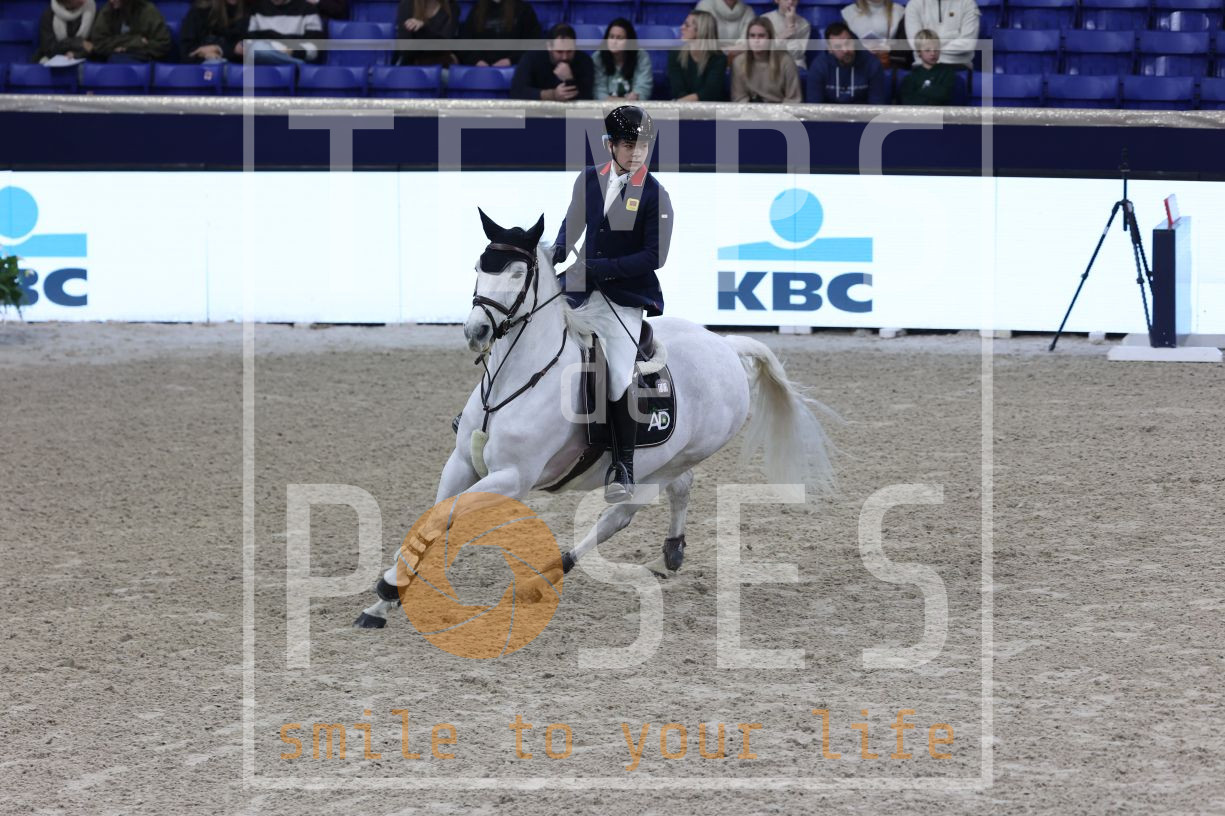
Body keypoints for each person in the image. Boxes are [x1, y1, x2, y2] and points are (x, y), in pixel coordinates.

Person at [552, 106, 674, 503]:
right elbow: (572, 226)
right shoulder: (589, 179)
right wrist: (552, 254)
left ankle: (623, 465)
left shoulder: (655, 194)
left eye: (643, 146)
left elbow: (655, 256)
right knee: (527, 321)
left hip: (624, 294)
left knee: (619, 372)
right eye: (628, 145)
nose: (636, 153)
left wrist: (603, 268)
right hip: (579, 282)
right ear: (609, 145)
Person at [806, 21, 887, 104]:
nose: (845, 50)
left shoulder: (872, 64)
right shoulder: (819, 67)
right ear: (830, 49)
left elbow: (876, 105)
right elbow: (814, 105)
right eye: (838, 46)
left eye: (848, 43)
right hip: (828, 112)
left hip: (863, 112)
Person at [510, 23, 594, 100]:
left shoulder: (584, 61)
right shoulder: (532, 58)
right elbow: (517, 92)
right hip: (538, 109)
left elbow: (586, 98)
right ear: (549, 46)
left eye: (569, 51)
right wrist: (552, 94)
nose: (565, 57)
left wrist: (569, 80)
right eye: (559, 52)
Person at [731, 17, 801, 103]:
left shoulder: (786, 61)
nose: (756, 40)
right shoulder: (738, 62)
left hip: (779, 109)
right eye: (752, 36)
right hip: (750, 109)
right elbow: (739, 98)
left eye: (761, 36)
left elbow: (793, 100)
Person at [459, 0, 541, 66]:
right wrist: (476, 61)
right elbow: (464, 44)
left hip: (514, 68)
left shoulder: (524, 9)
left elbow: (533, 43)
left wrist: (511, 60)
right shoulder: (476, 10)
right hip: (480, 70)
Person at [240, 0, 325, 64]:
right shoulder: (257, 9)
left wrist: (290, 51)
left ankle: (295, 65)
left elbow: (313, 51)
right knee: (256, 48)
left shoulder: (308, 10)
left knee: (258, 49)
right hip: (261, 59)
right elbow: (250, 42)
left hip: (292, 57)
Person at [668, 11, 727, 101]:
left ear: (701, 30)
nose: (681, 28)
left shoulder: (719, 58)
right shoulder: (675, 54)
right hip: (682, 107)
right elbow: (677, 90)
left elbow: (710, 92)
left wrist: (681, 102)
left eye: (687, 25)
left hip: (710, 107)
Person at [88, 0, 171, 62]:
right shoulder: (108, 10)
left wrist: (128, 49)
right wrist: (136, 42)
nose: (111, 0)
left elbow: (163, 44)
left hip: (142, 60)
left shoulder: (148, 11)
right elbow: (98, 43)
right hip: (114, 61)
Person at [903, 0, 978, 68]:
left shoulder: (968, 3)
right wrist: (951, 39)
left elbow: (968, 44)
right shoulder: (914, 4)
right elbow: (916, 44)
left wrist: (929, 48)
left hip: (958, 65)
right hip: (924, 67)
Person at [593, 18, 652, 101]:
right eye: (611, 37)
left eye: (620, 38)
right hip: (604, 107)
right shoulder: (598, 57)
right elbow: (598, 92)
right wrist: (623, 101)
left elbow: (643, 88)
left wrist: (636, 97)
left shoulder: (641, 56)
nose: (614, 41)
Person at [896, 28, 961, 104]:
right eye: (927, 50)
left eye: (936, 50)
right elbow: (907, 101)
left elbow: (944, 95)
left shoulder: (947, 73)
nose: (933, 53)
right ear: (919, 52)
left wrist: (921, 90)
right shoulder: (911, 77)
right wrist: (933, 90)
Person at [841, 0, 904, 68]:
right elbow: (843, 44)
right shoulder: (849, 12)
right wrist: (862, 48)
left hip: (888, 65)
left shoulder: (899, 11)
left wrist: (888, 48)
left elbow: (904, 45)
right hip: (858, 65)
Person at [394, 0, 458, 65]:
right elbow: (405, 50)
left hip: (441, 63)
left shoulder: (451, 6)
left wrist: (422, 29)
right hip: (412, 64)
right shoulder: (407, 5)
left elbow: (445, 45)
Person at [180, 0, 248, 62]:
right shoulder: (199, 11)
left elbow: (248, 50)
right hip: (204, 66)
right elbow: (187, 51)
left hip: (241, 67)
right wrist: (204, 56)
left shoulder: (248, 10)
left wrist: (220, 49)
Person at [760, 0, 810, 69]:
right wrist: (782, 36)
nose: (790, 1)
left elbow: (796, 55)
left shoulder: (804, 24)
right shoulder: (764, 20)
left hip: (794, 66)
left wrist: (790, 25)